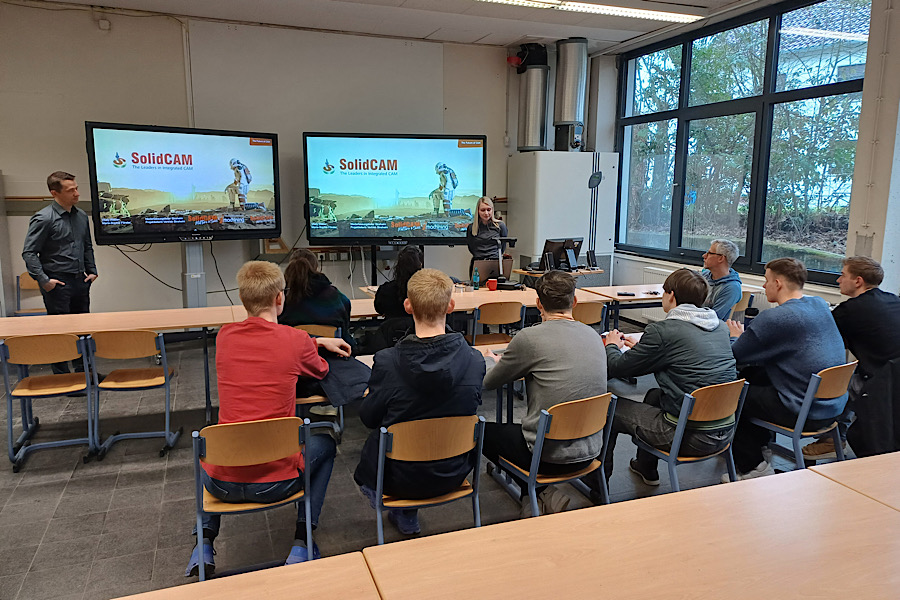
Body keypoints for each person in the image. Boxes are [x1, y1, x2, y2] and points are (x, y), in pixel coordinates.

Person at [185, 260, 351, 576]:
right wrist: (315, 343)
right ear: (279, 298)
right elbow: (320, 369)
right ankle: (302, 541)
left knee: (209, 448)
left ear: (242, 298)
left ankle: (203, 543)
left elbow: (266, 340)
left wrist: (313, 341)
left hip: (222, 483)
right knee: (326, 444)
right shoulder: (294, 341)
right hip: (277, 483)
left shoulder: (224, 337)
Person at [583, 269, 737, 497]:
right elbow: (683, 359)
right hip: (724, 432)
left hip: (687, 437)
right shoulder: (720, 327)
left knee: (608, 408)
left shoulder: (663, 331)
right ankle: (646, 467)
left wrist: (612, 344)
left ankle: (597, 486)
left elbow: (616, 367)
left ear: (671, 295)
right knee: (654, 396)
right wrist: (644, 351)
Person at [355, 268, 484, 535]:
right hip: (454, 472)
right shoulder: (475, 360)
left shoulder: (387, 362)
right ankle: (406, 515)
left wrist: (375, 395)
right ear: (451, 306)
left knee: (388, 430)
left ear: (407, 305)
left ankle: (403, 511)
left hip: (399, 479)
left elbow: (368, 418)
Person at [482, 270, 607, 516]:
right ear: (574, 301)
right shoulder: (594, 336)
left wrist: (491, 360)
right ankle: (541, 495)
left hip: (547, 457)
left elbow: (489, 382)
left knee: (481, 431)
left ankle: (540, 492)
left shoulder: (530, 338)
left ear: (538, 303)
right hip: (591, 450)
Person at [725, 258, 847, 481]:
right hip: (833, 406)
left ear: (778, 283)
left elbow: (735, 355)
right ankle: (760, 448)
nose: (764, 286)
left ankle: (752, 467)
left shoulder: (776, 318)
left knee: (732, 394)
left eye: (766, 280)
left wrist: (735, 336)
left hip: (804, 411)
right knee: (751, 377)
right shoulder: (819, 304)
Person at [802, 256, 900, 459]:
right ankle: (832, 439)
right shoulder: (893, 299)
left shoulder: (849, 311)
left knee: (838, 383)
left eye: (842, 275)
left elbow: (822, 344)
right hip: (891, 373)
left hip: (882, 380)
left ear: (858, 281)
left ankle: (832, 439)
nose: (838, 280)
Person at [22, 171, 98, 375]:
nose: (77, 193)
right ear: (54, 193)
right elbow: (29, 252)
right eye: (71, 190)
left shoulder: (81, 216)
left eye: (76, 188)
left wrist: (92, 271)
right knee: (61, 333)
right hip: (57, 282)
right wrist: (44, 280)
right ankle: (62, 376)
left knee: (83, 330)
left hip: (80, 279)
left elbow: (87, 246)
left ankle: (85, 373)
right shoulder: (44, 218)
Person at [279, 248, 356, 351]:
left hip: (295, 355)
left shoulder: (281, 299)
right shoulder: (336, 297)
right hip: (332, 354)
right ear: (316, 268)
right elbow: (345, 328)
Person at [374, 245, 423, 319]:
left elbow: (379, 309)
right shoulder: (427, 293)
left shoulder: (385, 291)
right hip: (419, 326)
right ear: (420, 266)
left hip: (392, 326)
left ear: (398, 266)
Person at [701, 239, 743, 320]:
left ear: (721, 258)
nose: (704, 256)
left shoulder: (732, 288)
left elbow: (713, 318)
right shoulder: (704, 275)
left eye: (709, 253)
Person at [465, 197, 508, 274]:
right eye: (483, 210)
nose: (486, 213)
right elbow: (471, 247)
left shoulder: (500, 226)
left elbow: (503, 246)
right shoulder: (471, 228)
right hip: (478, 263)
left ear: (492, 210)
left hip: (495, 263)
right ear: (478, 211)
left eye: (488, 210)